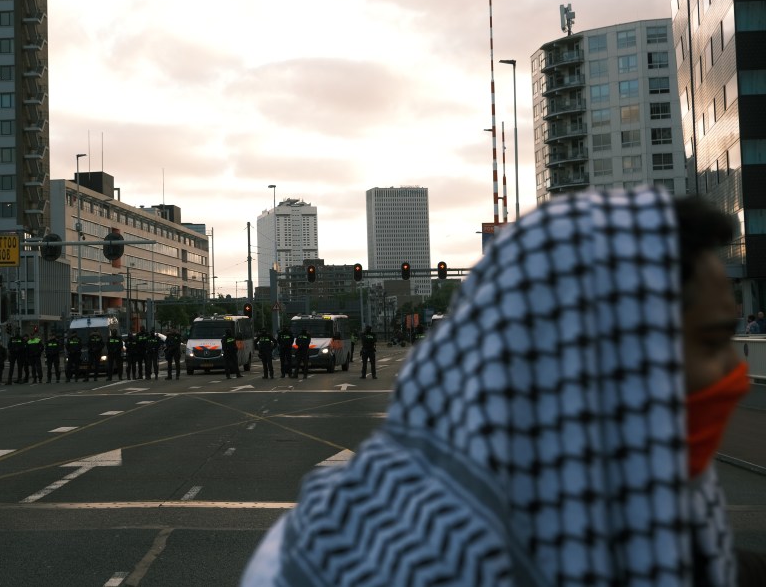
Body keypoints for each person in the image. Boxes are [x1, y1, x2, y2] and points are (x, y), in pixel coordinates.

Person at [242, 189, 766, 587]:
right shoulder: (317, 565)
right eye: (712, 340)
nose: (734, 376)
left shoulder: (699, 536)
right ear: (600, 348)